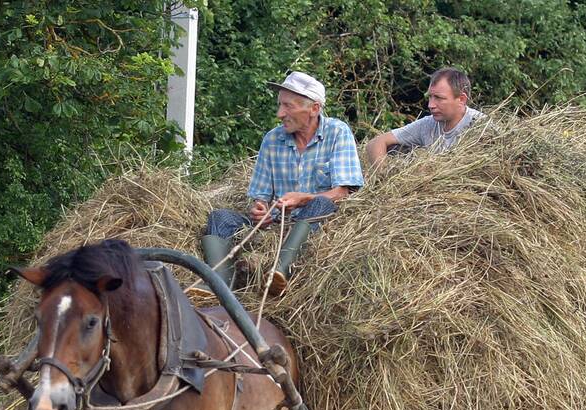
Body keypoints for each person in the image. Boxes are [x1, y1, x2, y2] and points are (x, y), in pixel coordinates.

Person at [195, 71, 364, 298]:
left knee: (322, 203)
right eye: (280, 105)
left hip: (316, 223)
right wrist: (259, 210)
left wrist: (303, 198)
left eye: (288, 107)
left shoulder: (337, 132)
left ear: (314, 109)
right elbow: (260, 197)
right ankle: (219, 284)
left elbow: (343, 192)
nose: (280, 114)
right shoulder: (272, 139)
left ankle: (279, 272)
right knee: (220, 218)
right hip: (277, 223)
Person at [365, 67, 482, 166]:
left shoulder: (482, 127)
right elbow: (375, 143)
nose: (431, 105)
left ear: (461, 99)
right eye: (430, 97)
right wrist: (386, 177)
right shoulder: (427, 124)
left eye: (439, 98)